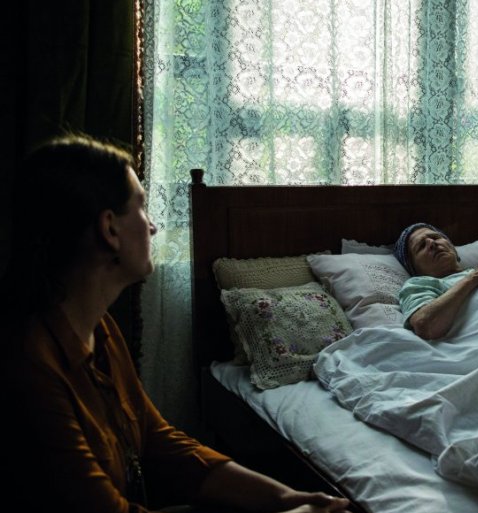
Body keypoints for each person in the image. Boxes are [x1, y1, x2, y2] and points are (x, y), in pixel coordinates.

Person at [0, 134, 351, 513]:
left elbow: (156, 439)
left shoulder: (100, 330)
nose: (152, 227)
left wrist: (284, 498)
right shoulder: (31, 367)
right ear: (109, 229)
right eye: (142, 208)